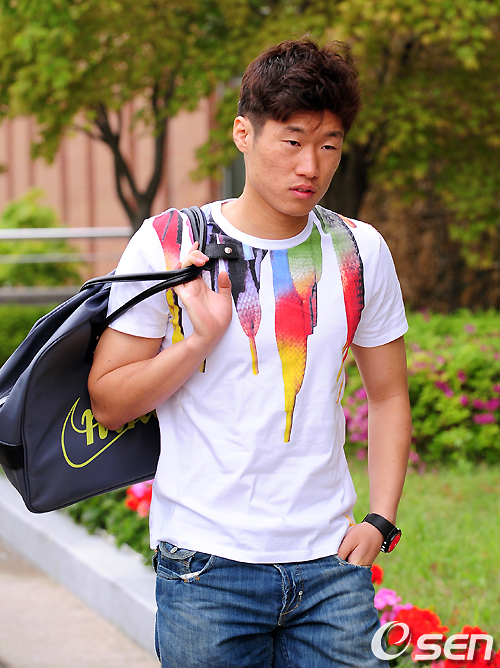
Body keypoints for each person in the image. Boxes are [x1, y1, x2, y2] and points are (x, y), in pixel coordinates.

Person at [88, 38, 411, 668]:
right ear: (244, 133)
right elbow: (108, 401)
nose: (310, 166)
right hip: (207, 568)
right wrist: (199, 340)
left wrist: (380, 519)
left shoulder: (359, 250)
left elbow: (389, 393)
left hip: (330, 565)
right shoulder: (172, 243)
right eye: (292, 141)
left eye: (329, 146)